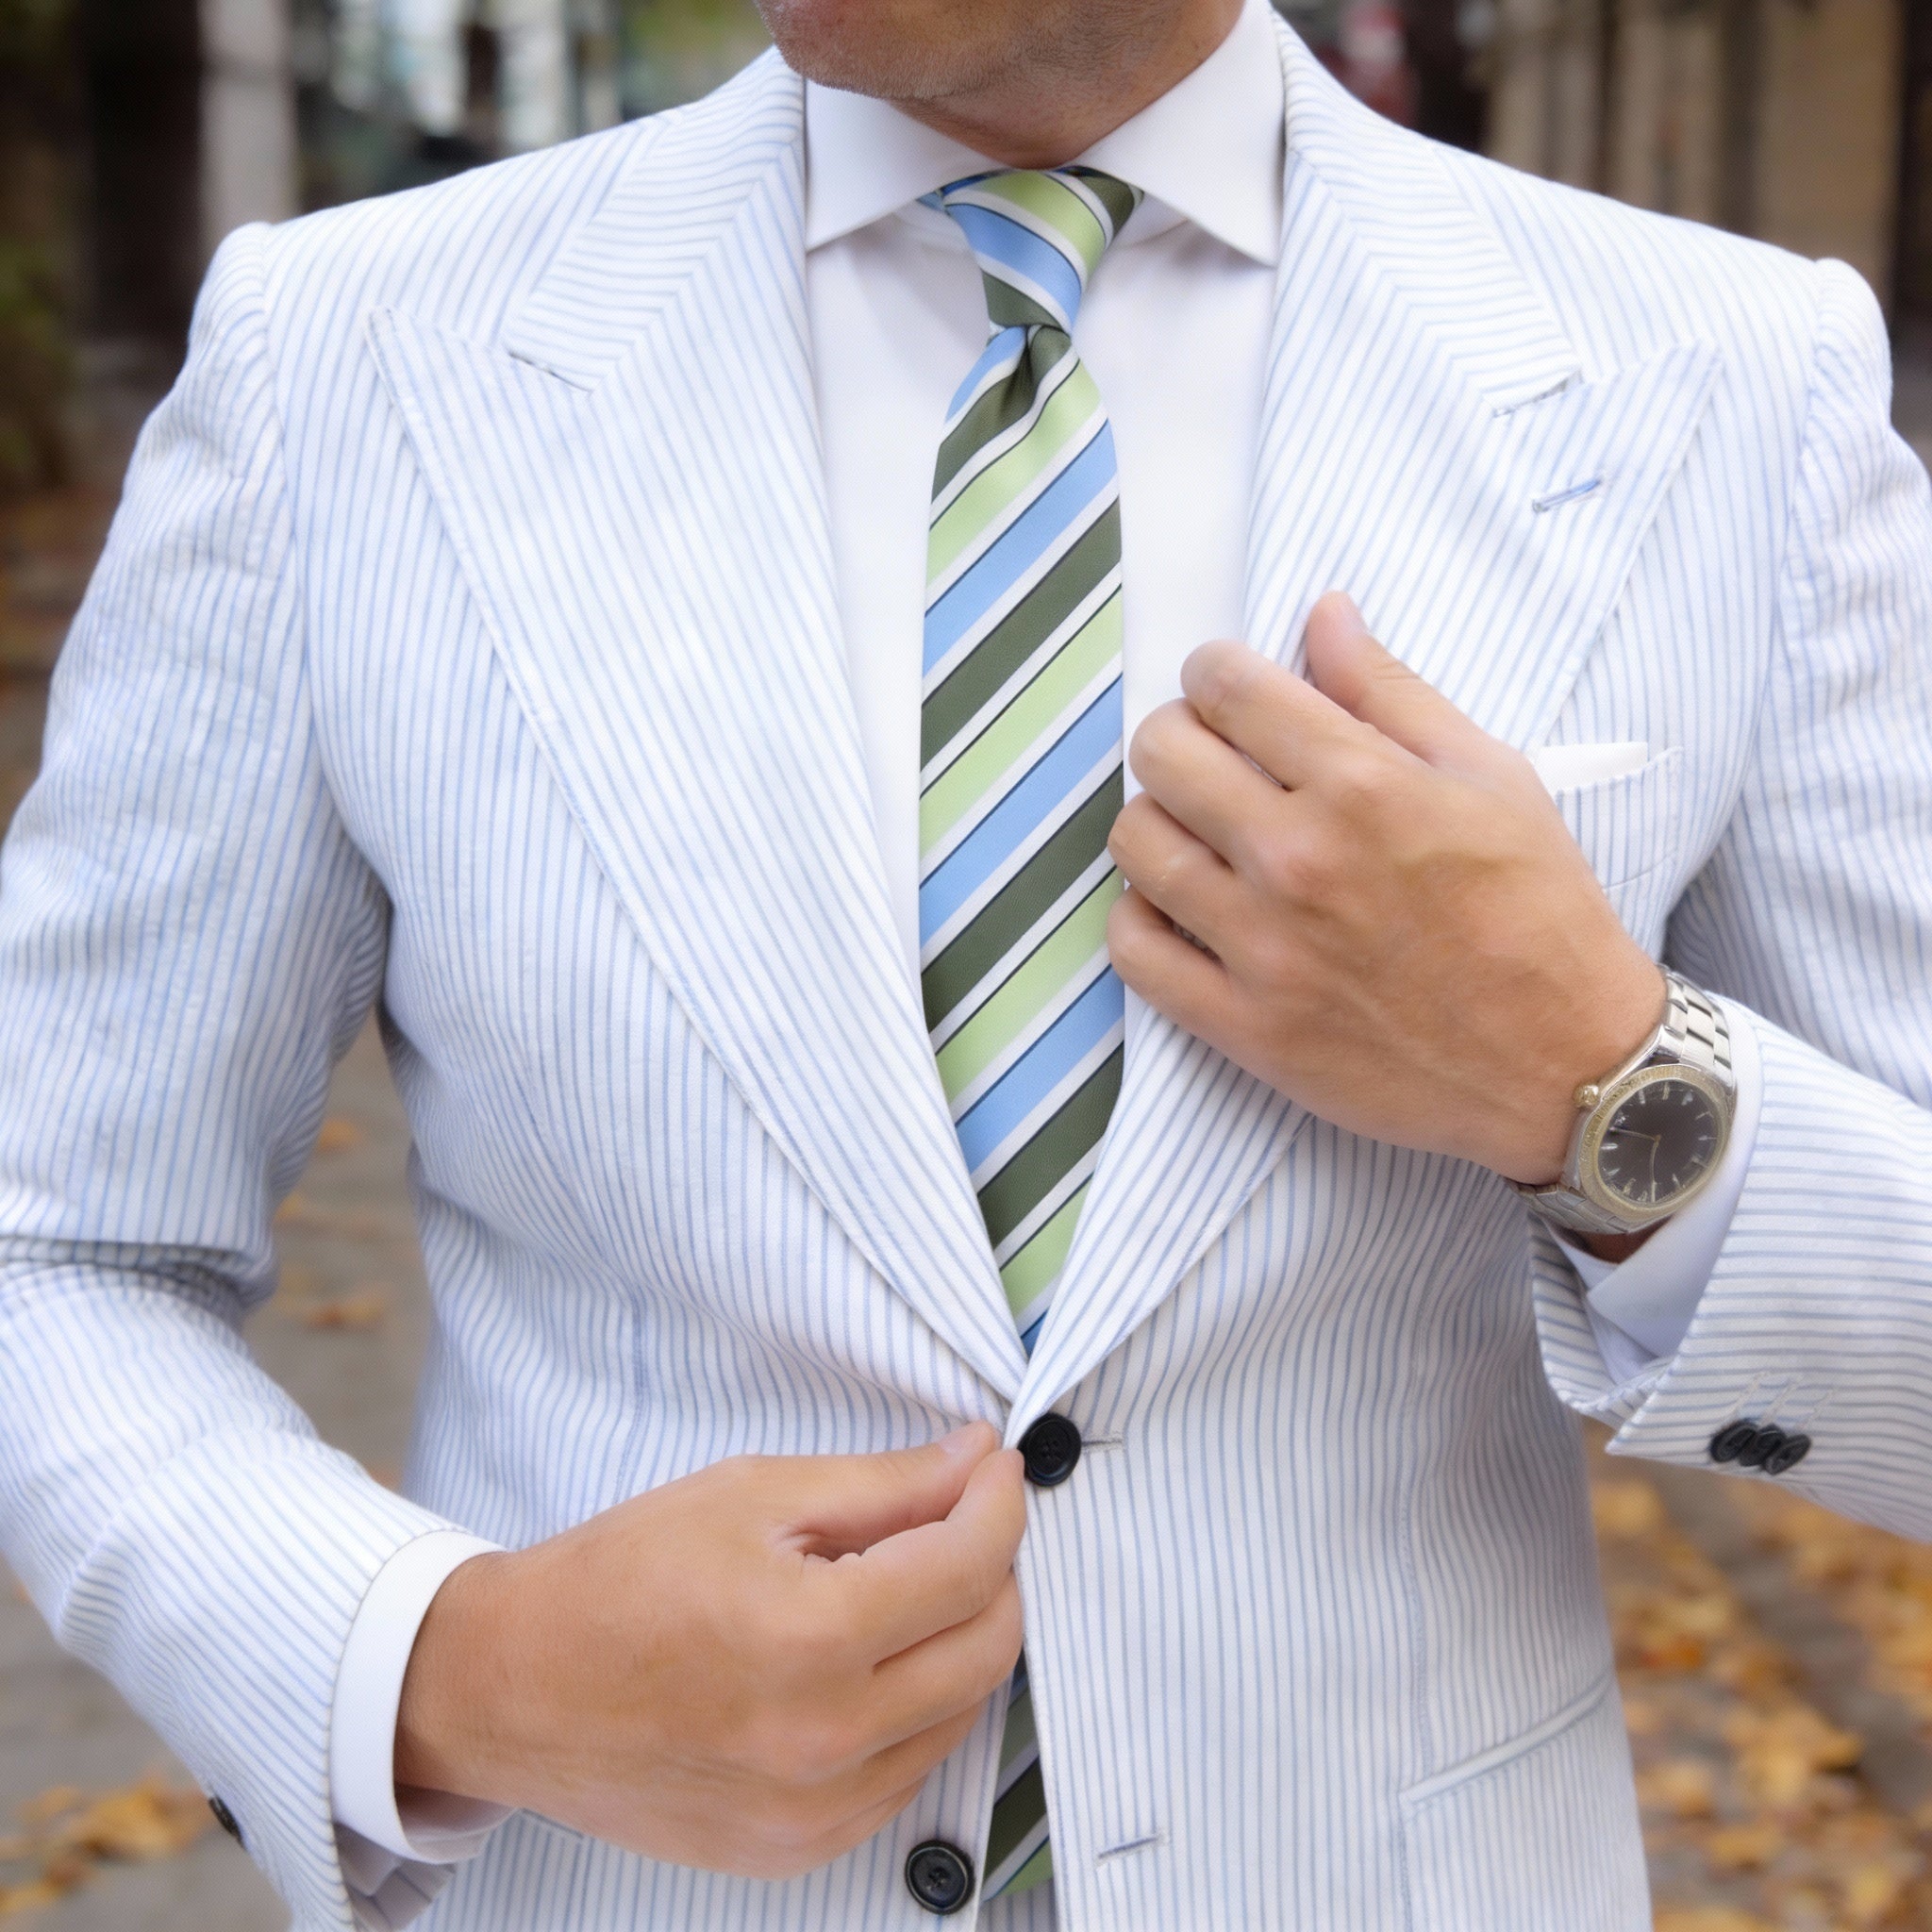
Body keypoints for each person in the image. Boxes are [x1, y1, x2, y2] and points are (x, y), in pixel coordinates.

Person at [2, 0, 1929, 1924]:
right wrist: (447, 1668)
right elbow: (57, 1241)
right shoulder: (339, 364)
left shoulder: (1730, 388)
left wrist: (1599, 1083)